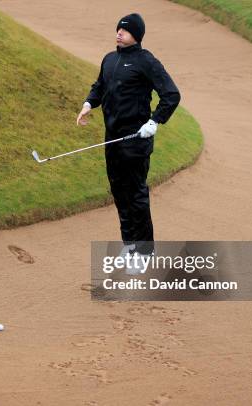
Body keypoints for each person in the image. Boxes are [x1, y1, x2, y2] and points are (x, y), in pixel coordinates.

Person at [77, 13, 181, 260]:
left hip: (136, 139)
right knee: (119, 192)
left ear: (136, 35)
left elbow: (171, 94)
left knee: (135, 195)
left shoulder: (146, 61)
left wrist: (154, 121)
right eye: (118, 30)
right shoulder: (110, 59)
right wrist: (89, 104)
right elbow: (100, 86)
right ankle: (131, 245)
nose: (119, 33)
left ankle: (144, 252)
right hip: (112, 138)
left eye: (124, 31)